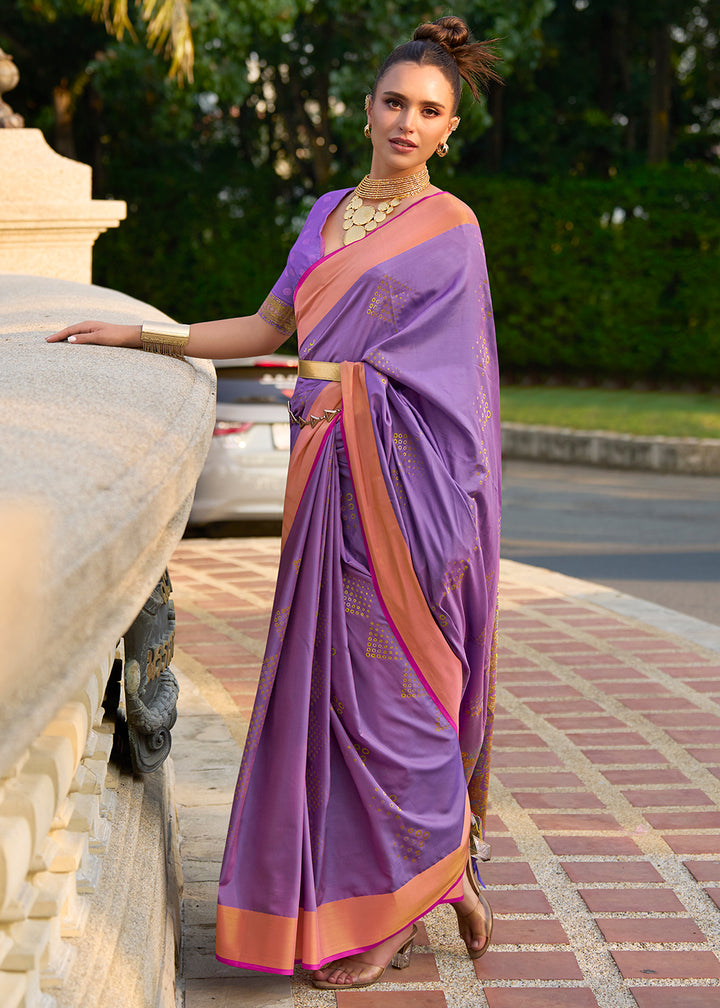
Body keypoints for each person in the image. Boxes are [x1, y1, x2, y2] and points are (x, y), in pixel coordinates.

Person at [49, 14, 502, 991]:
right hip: (323, 486)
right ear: (368, 107)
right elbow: (269, 325)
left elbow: (459, 395)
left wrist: (357, 407)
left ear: (450, 129)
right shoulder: (327, 213)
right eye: (395, 102)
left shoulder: (452, 232)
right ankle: (426, 878)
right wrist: (145, 339)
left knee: (399, 700)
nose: (407, 123)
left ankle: (414, 887)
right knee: (329, 698)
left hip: (408, 498)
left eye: (430, 111)